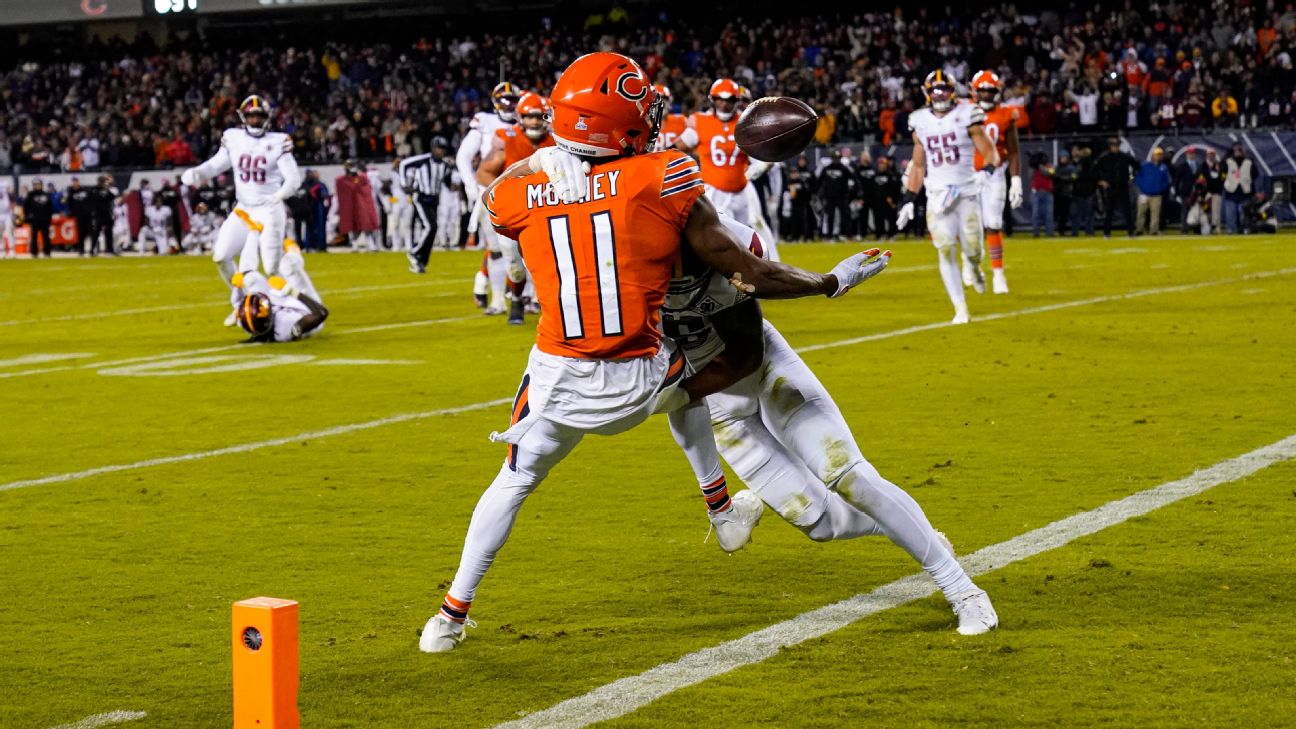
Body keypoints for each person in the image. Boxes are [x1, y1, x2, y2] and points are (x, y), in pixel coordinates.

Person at [422, 52, 891, 653]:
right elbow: (738, 264)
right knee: (692, 381)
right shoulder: (661, 175)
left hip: (558, 379)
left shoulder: (518, 191)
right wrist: (830, 282)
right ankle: (720, 509)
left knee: (513, 481)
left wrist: (546, 162)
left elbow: (502, 205)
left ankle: (450, 616)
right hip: (639, 379)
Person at [662, 215, 998, 635]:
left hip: (759, 366)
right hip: (712, 405)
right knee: (821, 525)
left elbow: (744, 352)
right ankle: (905, 527)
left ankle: (964, 591)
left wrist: (831, 281)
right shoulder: (613, 280)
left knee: (848, 476)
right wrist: (717, 503)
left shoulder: (724, 240)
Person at [180, 95, 302, 325]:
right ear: (243, 117)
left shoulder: (279, 140)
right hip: (244, 209)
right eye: (251, 115)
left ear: (267, 118)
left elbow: (293, 180)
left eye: (259, 115)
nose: (255, 120)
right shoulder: (233, 137)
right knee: (221, 256)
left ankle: (289, 310)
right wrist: (198, 173)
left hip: (269, 211)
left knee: (271, 267)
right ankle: (241, 304)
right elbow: (217, 164)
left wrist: (277, 196)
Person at [897, 69, 1000, 324]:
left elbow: (991, 152)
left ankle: (974, 267)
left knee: (973, 249)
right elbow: (919, 165)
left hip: (966, 192)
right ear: (927, 93)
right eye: (935, 90)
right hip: (937, 194)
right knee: (944, 248)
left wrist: (987, 172)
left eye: (944, 89)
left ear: (953, 91)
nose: (940, 94)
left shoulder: (968, 115)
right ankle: (960, 308)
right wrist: (909, 199)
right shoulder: (920, 121)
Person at [474, 93, 554, 320]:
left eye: (539, 117)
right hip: (514, 213)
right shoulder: (507, 138)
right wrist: (505, 196)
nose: (535, 122)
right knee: (515, 264)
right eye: (529, 117)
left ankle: (545, 303)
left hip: (543, 211)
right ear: (520, 118)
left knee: (548, 261)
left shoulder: (555, 140)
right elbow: (483, 172)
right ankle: (517, 300)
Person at [457, 82, 522, 314]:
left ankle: (526, 297)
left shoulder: (527, 122)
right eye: (503, 100)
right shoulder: (484, 121)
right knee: (495, 248)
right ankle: (496, 299)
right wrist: (470, 186)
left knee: (526, 248)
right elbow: (464, 156)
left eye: (512, 100)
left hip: (523, 189)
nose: (508, 105)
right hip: (492, 189)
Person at [969, 70, 1024, 294]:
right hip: (969, 175)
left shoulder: (1006, 115)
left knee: (993, 223)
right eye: (982, 90)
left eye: (990, 91)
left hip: (995, 174)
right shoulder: (964, 113)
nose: (986, 95)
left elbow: (1013, 151)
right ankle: (970, 265)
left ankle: (998, 273)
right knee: (970, 225)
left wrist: (1017, 179)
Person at [401, 136, 459, 273]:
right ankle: (414, 252)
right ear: (432, 148)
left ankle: (421, 260)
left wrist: (452, 186)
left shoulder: (445, 165)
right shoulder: (422, 160)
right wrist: (405, 184)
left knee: (432, 228)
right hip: (420, 197)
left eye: (443, 149)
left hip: (434, 199)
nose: (440, 151)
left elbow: (446, 180)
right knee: (430, 226)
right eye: (438, 148)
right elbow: (404, 164)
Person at [234, 270, 328, 343]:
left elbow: (241, 306)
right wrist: (291, 291)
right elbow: (321, 313)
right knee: (289, 264)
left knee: (250, 277)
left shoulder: (245, 321)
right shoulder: (286, 330)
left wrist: (237, 286)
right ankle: (291, 248)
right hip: (309, 308)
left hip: (282, 305)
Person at [1094, 137, 1138, 238]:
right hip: (1111, 187)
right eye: (1113, 145)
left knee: (1127, 210)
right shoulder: (1104, 157)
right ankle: (1106, 233)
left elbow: (1137, 165)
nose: (1115, 147)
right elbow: (1094, 170)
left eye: (1117, 145)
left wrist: (1131, 177)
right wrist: (1101, 181)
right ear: (1110, 146)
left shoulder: (1124, 157)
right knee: (1109, 210)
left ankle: (1131, 232)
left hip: (1123, 186)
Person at [335, 160, 380, 251]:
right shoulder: (341, 180)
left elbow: (365, 191)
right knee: (352, 226)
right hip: (350, 206)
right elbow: (343, 194)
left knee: (366, 225)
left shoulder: (362, 178)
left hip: (361, 205)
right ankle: (354, 244)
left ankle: (371, 244)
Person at [816, 148, 855, 241]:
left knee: (845, 216)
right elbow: (819, 182)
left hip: (842, 196)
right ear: (832, 158)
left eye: (837, 158)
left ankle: (848, 235)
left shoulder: (844, 168)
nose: (836, 160)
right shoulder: (827, 168)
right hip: (830, 197)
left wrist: (854, 191)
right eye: (834, 158)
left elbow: (854, 178)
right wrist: (816, 193)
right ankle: (829, 235)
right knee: (830, 217)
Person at [1134, 147, 1171, 236]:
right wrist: (1143, 188)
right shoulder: (1145, 165)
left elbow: (1167, 180)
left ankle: (1153, 230)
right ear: (1153, 155)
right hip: (1144, 194)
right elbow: (1138, 177)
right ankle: (1139, 229)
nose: (1159, 156)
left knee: (1155, 214)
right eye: (1157, 154)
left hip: (1156, 195)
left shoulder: (1163, 167)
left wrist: (1160, 188)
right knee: (1141, 213)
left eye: (1160, 155)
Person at [1223, 143, 1255, 234]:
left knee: (1244, 215)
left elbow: (1254, 175)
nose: (1237, 152)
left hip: (1244, 193)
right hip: (1231, 192)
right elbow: (1222, 174)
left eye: (1239, 150)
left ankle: (1243, 230)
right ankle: (1231, 231)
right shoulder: (1228, 161)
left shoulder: (1249, 162)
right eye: (1235, 150)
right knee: (1230, 215)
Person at [1173, 147, 1203, 233]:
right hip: (1185, 192)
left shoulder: (1198, 165)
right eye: (1189, 153)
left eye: (1192, 153)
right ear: (1186, 154)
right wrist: (1177, 193)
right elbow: (1177, 180)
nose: (1191, 155)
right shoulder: (1182, 166)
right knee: (1185, 210)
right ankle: (1184, 228)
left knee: (1197, 210)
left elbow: (1201, 180)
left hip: (1196, 193)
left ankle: (1197, 228)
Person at [1070, 146, 1097, 236]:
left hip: (1082, 191)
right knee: (1084, 214)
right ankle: (1087, 231)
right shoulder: (1084, 164)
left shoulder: (1082, 164)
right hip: (1083, 192)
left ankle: (1077, 232)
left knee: (1081, 214)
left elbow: (1075, 176)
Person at [23, 180, 53, 258]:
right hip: (34, 219)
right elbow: (26, 206)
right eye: (35, 184)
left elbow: (50, 207)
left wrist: (49, 217)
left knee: (46, 236)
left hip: (45, 219)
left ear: (41, 185)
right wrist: (28, 216)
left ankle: (47, 252)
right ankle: (34, 252)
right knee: (34, 236)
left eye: (38, 184)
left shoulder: (46, 195)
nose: (37, 186)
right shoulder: (30, 195)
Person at [67, 177, 94, 256]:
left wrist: (91, 211)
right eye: (73, 182)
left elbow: (91, 201)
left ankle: (92, 250)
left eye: (76, 181)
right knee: (81, 234)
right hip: (79, 216)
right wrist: (72, 213)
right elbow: (69, 204)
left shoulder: (85, 190)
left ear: (79, 182)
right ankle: (81, 250)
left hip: (88, 215)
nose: (75, 183)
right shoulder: (71, 192)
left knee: (91, 232)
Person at [1029, 154, 1056, 237]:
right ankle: (1036, 232)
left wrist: (1040, 165)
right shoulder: (1033, 167)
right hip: (1036, 192)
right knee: (1035, 214)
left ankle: (1050, 232)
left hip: (1048, 193)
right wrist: (1033, 165)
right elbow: (1030, 176)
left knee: (1049, 214)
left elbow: (1049, 173)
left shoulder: (1050, 166)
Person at [1053, 151, 1076, 236]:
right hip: (1057, 193)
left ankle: (1063, 230)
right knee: (1057, 213)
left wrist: (1061, 177)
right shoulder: (1057, 168)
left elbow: (1073, 177)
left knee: (1065, 213)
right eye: (1062, 158)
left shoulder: (1071, 168)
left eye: (1065, 158)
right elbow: (1053, 176)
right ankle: (1058, 229)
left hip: (1067, 193)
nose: (1063, 159)